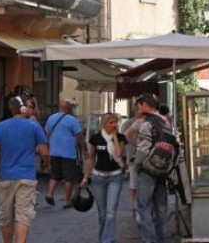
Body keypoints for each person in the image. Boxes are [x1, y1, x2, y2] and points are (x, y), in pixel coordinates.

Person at [0, 96, 50, 243]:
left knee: (6, 217)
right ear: (23, 109)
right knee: (23, 216)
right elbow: (45, 152)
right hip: (26, 176)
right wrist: (47, 165)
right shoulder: (34, 126)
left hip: (6, 176)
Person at [81, 113, 127, 243]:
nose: (114, 125)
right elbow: (90, 159)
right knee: (102, 213)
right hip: (98, 178)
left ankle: (108, 240)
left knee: (111, 212)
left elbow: (119, 153)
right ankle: (103, 239)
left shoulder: (121, 137)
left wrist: (114, 137)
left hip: (115, 177)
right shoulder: (96, 138)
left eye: (115, 122)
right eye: (111, 123)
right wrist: (85, 178)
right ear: (104, 124)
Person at [133, 93, 170, 243]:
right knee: (161, 208)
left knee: (144, 207)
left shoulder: (146, 123)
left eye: (139, 106)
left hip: (148, 170)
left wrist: (136, 165)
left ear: (145, 106)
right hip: (163, 170)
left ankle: (148, 240)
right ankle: (161, 239)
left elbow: (143, 149)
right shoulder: (165, 122)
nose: (137, 110)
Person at [44, 99, 83, 208]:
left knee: (54, 175)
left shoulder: (51, 118)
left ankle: (50, 194)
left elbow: (46, 134)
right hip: (68, 152)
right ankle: (67, 201)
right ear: (69, 108)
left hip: (54, 151)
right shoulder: (72, 120)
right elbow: (79, 135)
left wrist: (47, 146)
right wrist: (84, 148)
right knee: (69, 178)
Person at [120, 104, 144, 215]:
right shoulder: (127, 124)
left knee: (139, 181)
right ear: (136, 111)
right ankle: (134, 204)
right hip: (133, 156)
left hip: (143, 156)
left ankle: (139, 203)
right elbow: (123, 141)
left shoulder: (146, 122)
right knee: (134, 181)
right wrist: (123, 157)